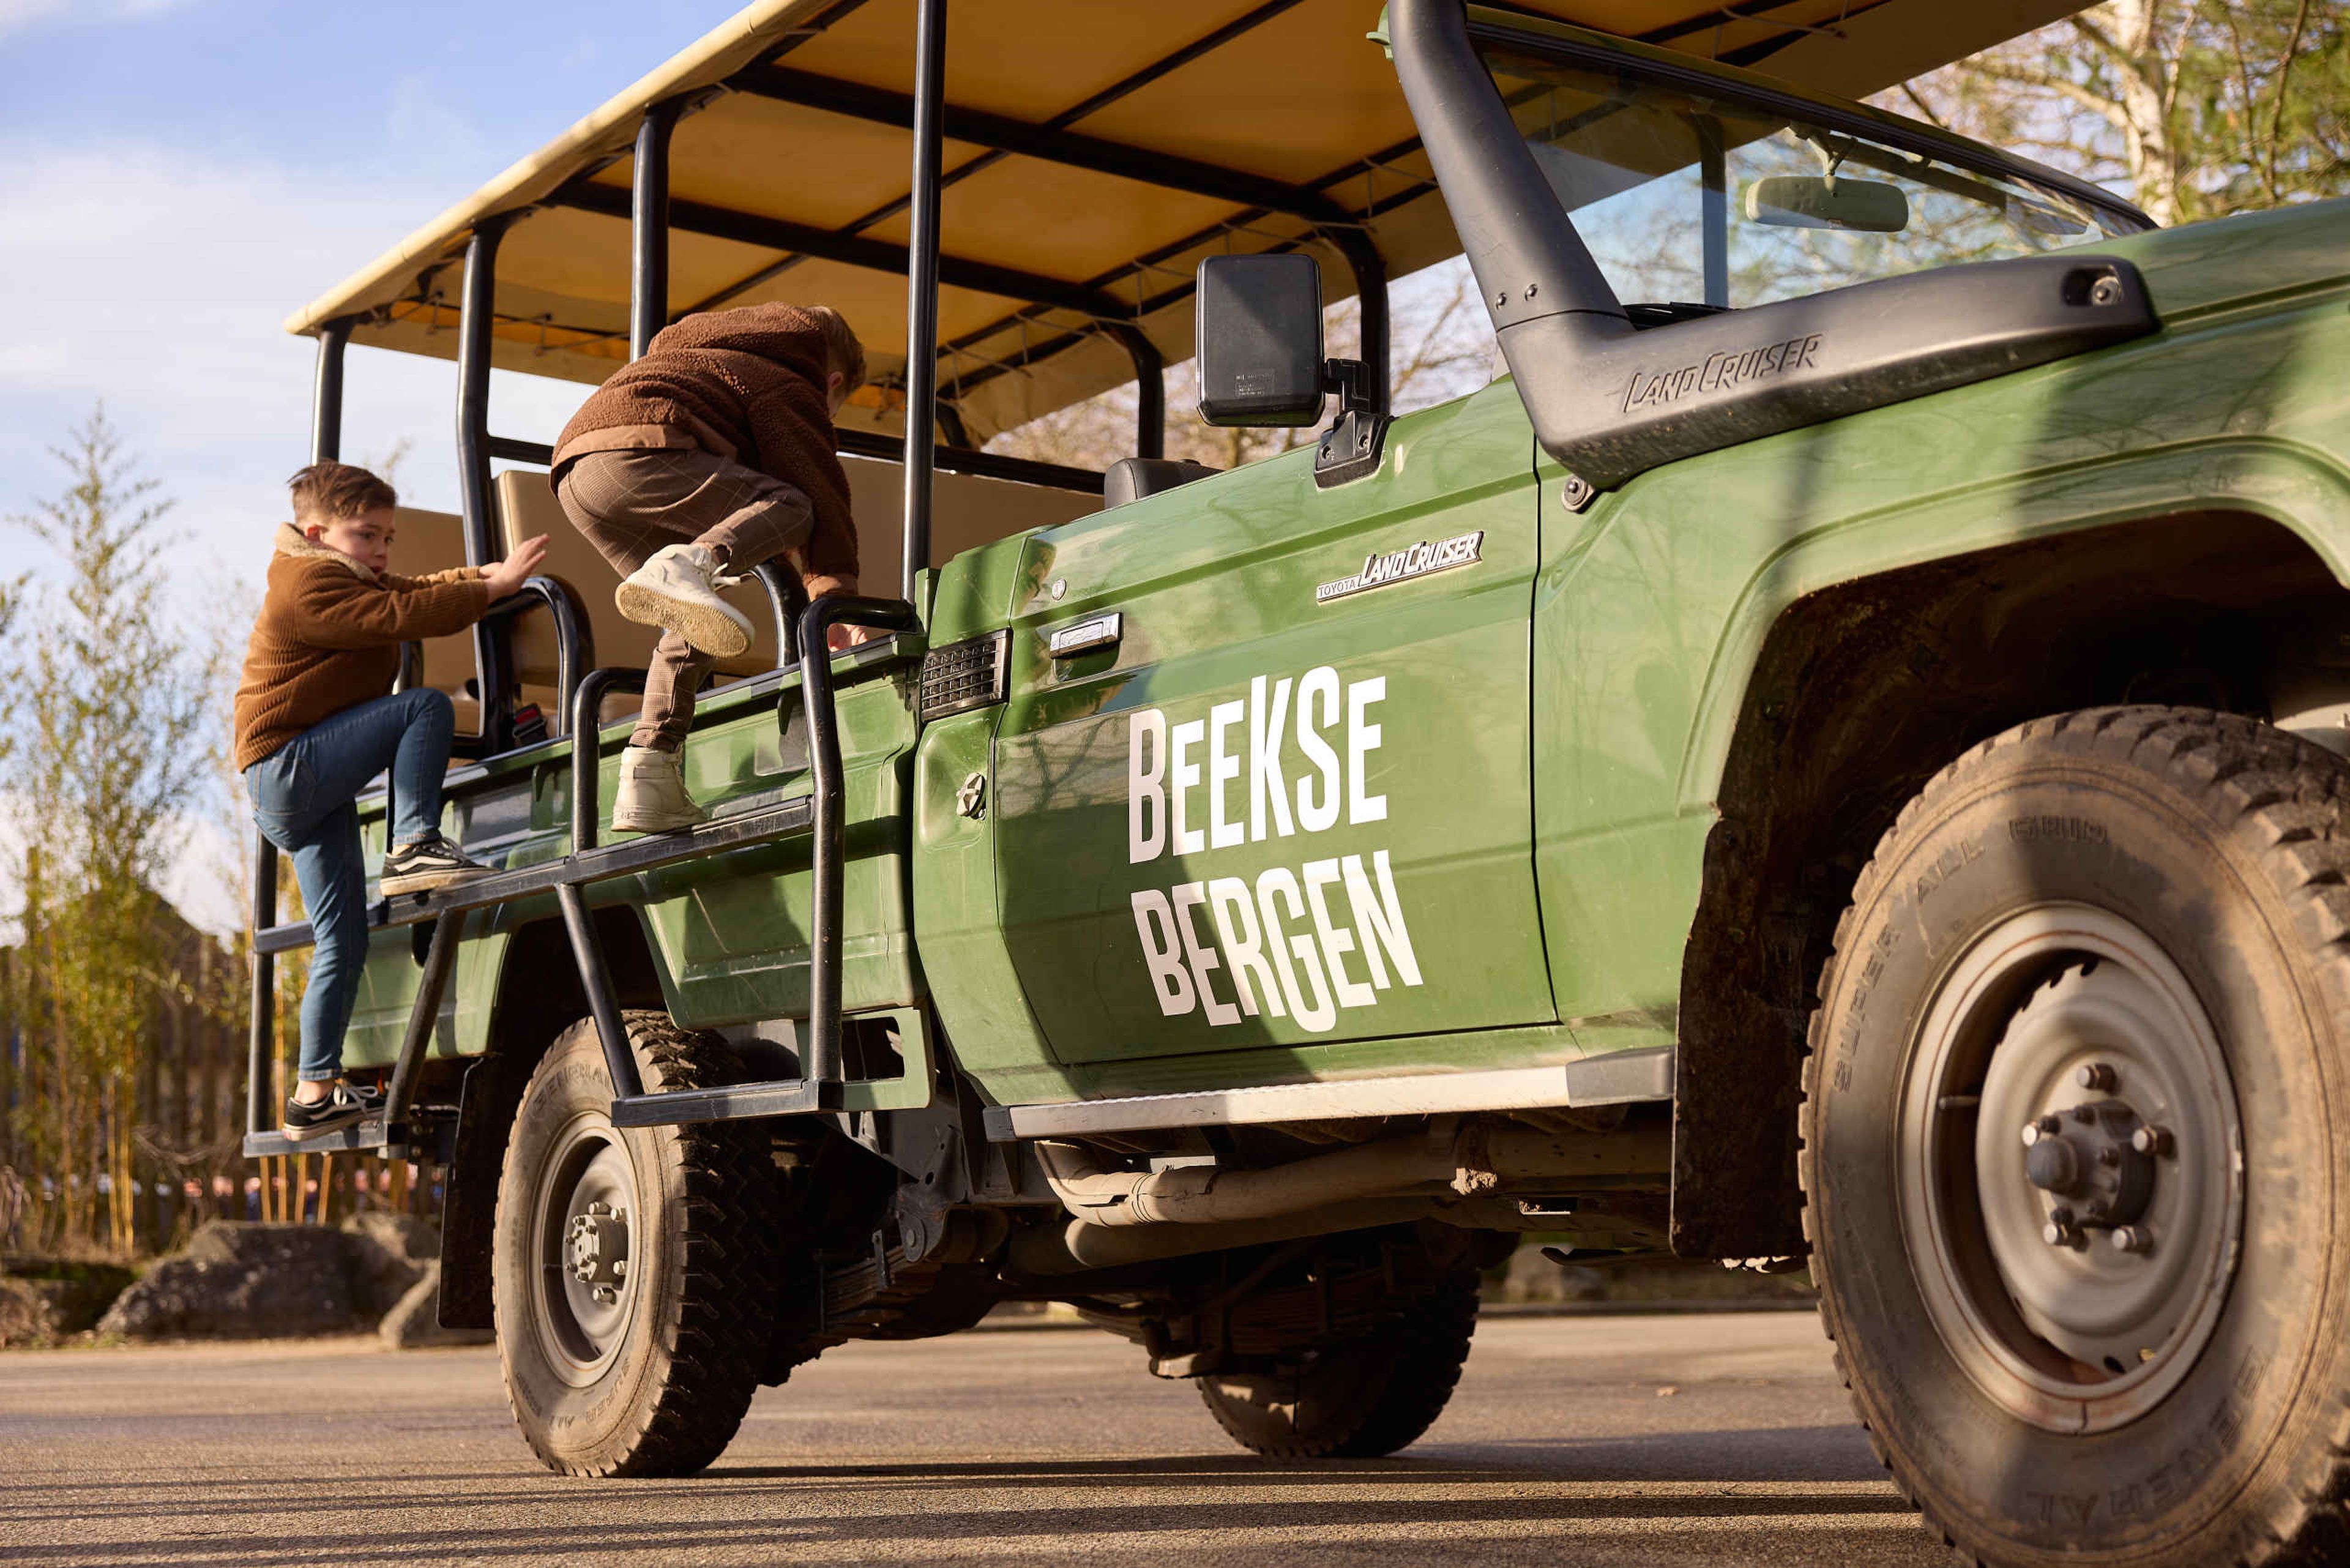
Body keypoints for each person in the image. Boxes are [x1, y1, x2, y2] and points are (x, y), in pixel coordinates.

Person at [233, 461, 549, 1140]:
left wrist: (478, 580)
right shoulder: (306, 584)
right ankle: (412, 844)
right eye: (366, 536)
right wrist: (491, 588)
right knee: (424, 710)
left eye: (388, 539)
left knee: (340, 941)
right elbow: (400, 613)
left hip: (306, 781)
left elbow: (414, 588)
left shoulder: (345, 573)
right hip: (287, 767)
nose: (381, 552)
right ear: (317, 534)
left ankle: (312, 1094)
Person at [550, 301, 868, 834]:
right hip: (644, 451)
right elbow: (818, 489)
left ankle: (650, 770)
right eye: (833, 408)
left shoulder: (702, 360)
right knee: (794, 507)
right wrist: (835, 597)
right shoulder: (787, 379)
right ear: (831, 381)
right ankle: (694, 561)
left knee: (695, 609)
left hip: (576, 476)